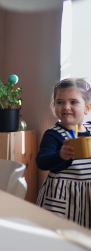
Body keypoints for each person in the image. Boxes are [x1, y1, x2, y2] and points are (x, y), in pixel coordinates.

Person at [36, 78, 91, 228]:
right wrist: (61, 155)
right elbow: (42, 162)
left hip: (87, 197)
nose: (66, 107)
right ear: (54, 106)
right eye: (60, 102)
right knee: (57, 235)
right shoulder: (54, 134)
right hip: (61, 198)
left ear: (87, 108)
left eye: (73, 102)